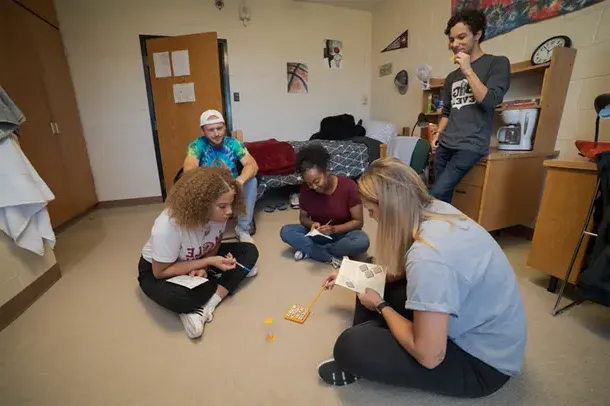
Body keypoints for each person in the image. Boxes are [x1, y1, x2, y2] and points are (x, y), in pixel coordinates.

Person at [317, 158, 526, 398]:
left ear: (389, 208)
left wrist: (381, 306)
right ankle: (378, 333)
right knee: (368, 274)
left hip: (483, 365)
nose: (373, 219)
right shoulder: (436, 209)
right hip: (489, 333)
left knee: (350, 346)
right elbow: (402, 271)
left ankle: (369, 344)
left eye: (372, 211)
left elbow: (430, 356)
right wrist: (351, 274)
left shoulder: (428, 257)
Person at [138, 167, 259, 339]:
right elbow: (160, 272)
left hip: (196, 257)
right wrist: (206, 263)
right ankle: (223, 281)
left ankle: (208, 306)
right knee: (181, 299)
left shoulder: (219, 216)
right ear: (201, 205)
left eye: (231, 204)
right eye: (222, 206)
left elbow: (215, 242)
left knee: (249, 251)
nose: (229, 211)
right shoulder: (167, 226)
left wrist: (207, 265)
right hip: (158, 270)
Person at [429, 9, 510, 203]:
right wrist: (437, 135)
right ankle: (443, 231)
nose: (455, 44)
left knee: (436, 194)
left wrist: (468, 70)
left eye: (461, 37)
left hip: (470, 145)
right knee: (442, 198)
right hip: (446, 143)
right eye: (451, 39)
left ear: (478, 34)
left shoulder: (497, 63)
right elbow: (447, 112)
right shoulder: (451, 78)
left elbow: (491, 100)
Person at [280, 144, 370, 268]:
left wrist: (333, 229)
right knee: (286, 231)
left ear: (326, 171)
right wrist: (313, 225)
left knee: (362, 241)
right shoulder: (306, 190)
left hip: (342, 234)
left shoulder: (348, 186)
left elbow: (358, 222)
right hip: (318, 234)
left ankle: (312, 251)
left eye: (317, 181)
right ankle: (330, 256)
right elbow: (303, 218)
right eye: (309, 183)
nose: (314, 187)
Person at [183, 109, 259, 243]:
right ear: (203, 131)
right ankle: (204, 228)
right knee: (190, 182)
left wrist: (240, 181)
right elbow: (189, 168)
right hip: (208, 187)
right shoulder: (196, 145)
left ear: (225, 127)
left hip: (232, 185)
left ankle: (243, 229)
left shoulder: (234, 143)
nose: (217, 133)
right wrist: (206, 184)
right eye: (211, 130)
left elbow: (252, 165)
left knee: (251, 181)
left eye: (219, 128)